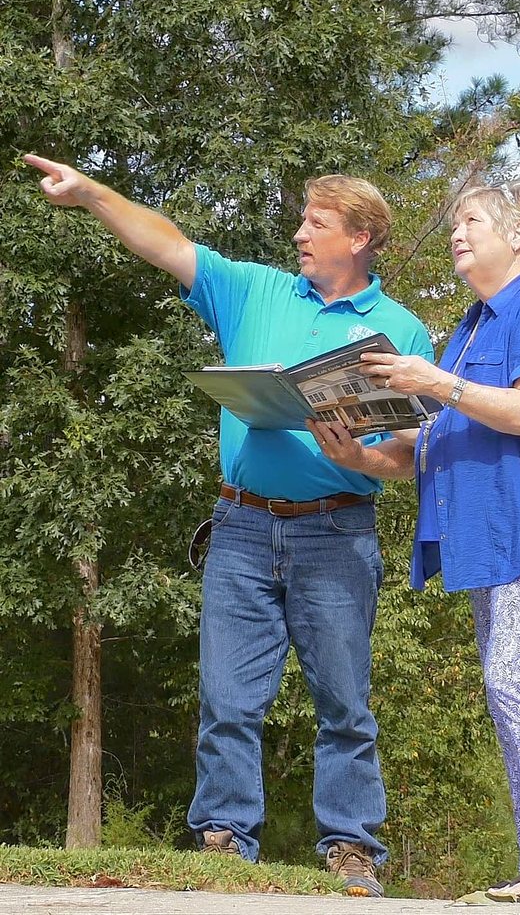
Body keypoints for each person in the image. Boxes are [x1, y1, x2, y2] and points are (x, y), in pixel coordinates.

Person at [25, 154, 434, 897]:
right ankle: (222, 842)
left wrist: (364, 461)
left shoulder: (401, 332)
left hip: (337, 534)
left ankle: (350, 850)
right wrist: (90, 195)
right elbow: (165, 242)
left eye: (318, 223)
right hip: (240, 529)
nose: (300, 233)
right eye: (302, 219)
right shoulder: (254, 290)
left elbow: (409, 454)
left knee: (343, 702)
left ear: (363, 237)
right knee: (227, 699)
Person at [308, 181, 520, 903]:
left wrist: (431, 380)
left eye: (471, 220)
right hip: (487, 534)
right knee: (507, 685)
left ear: (519, 234)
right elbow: (432, 443)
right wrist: (354, 450)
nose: (456, 232)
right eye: (454, 221)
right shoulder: (472, 327)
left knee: (511, 679)